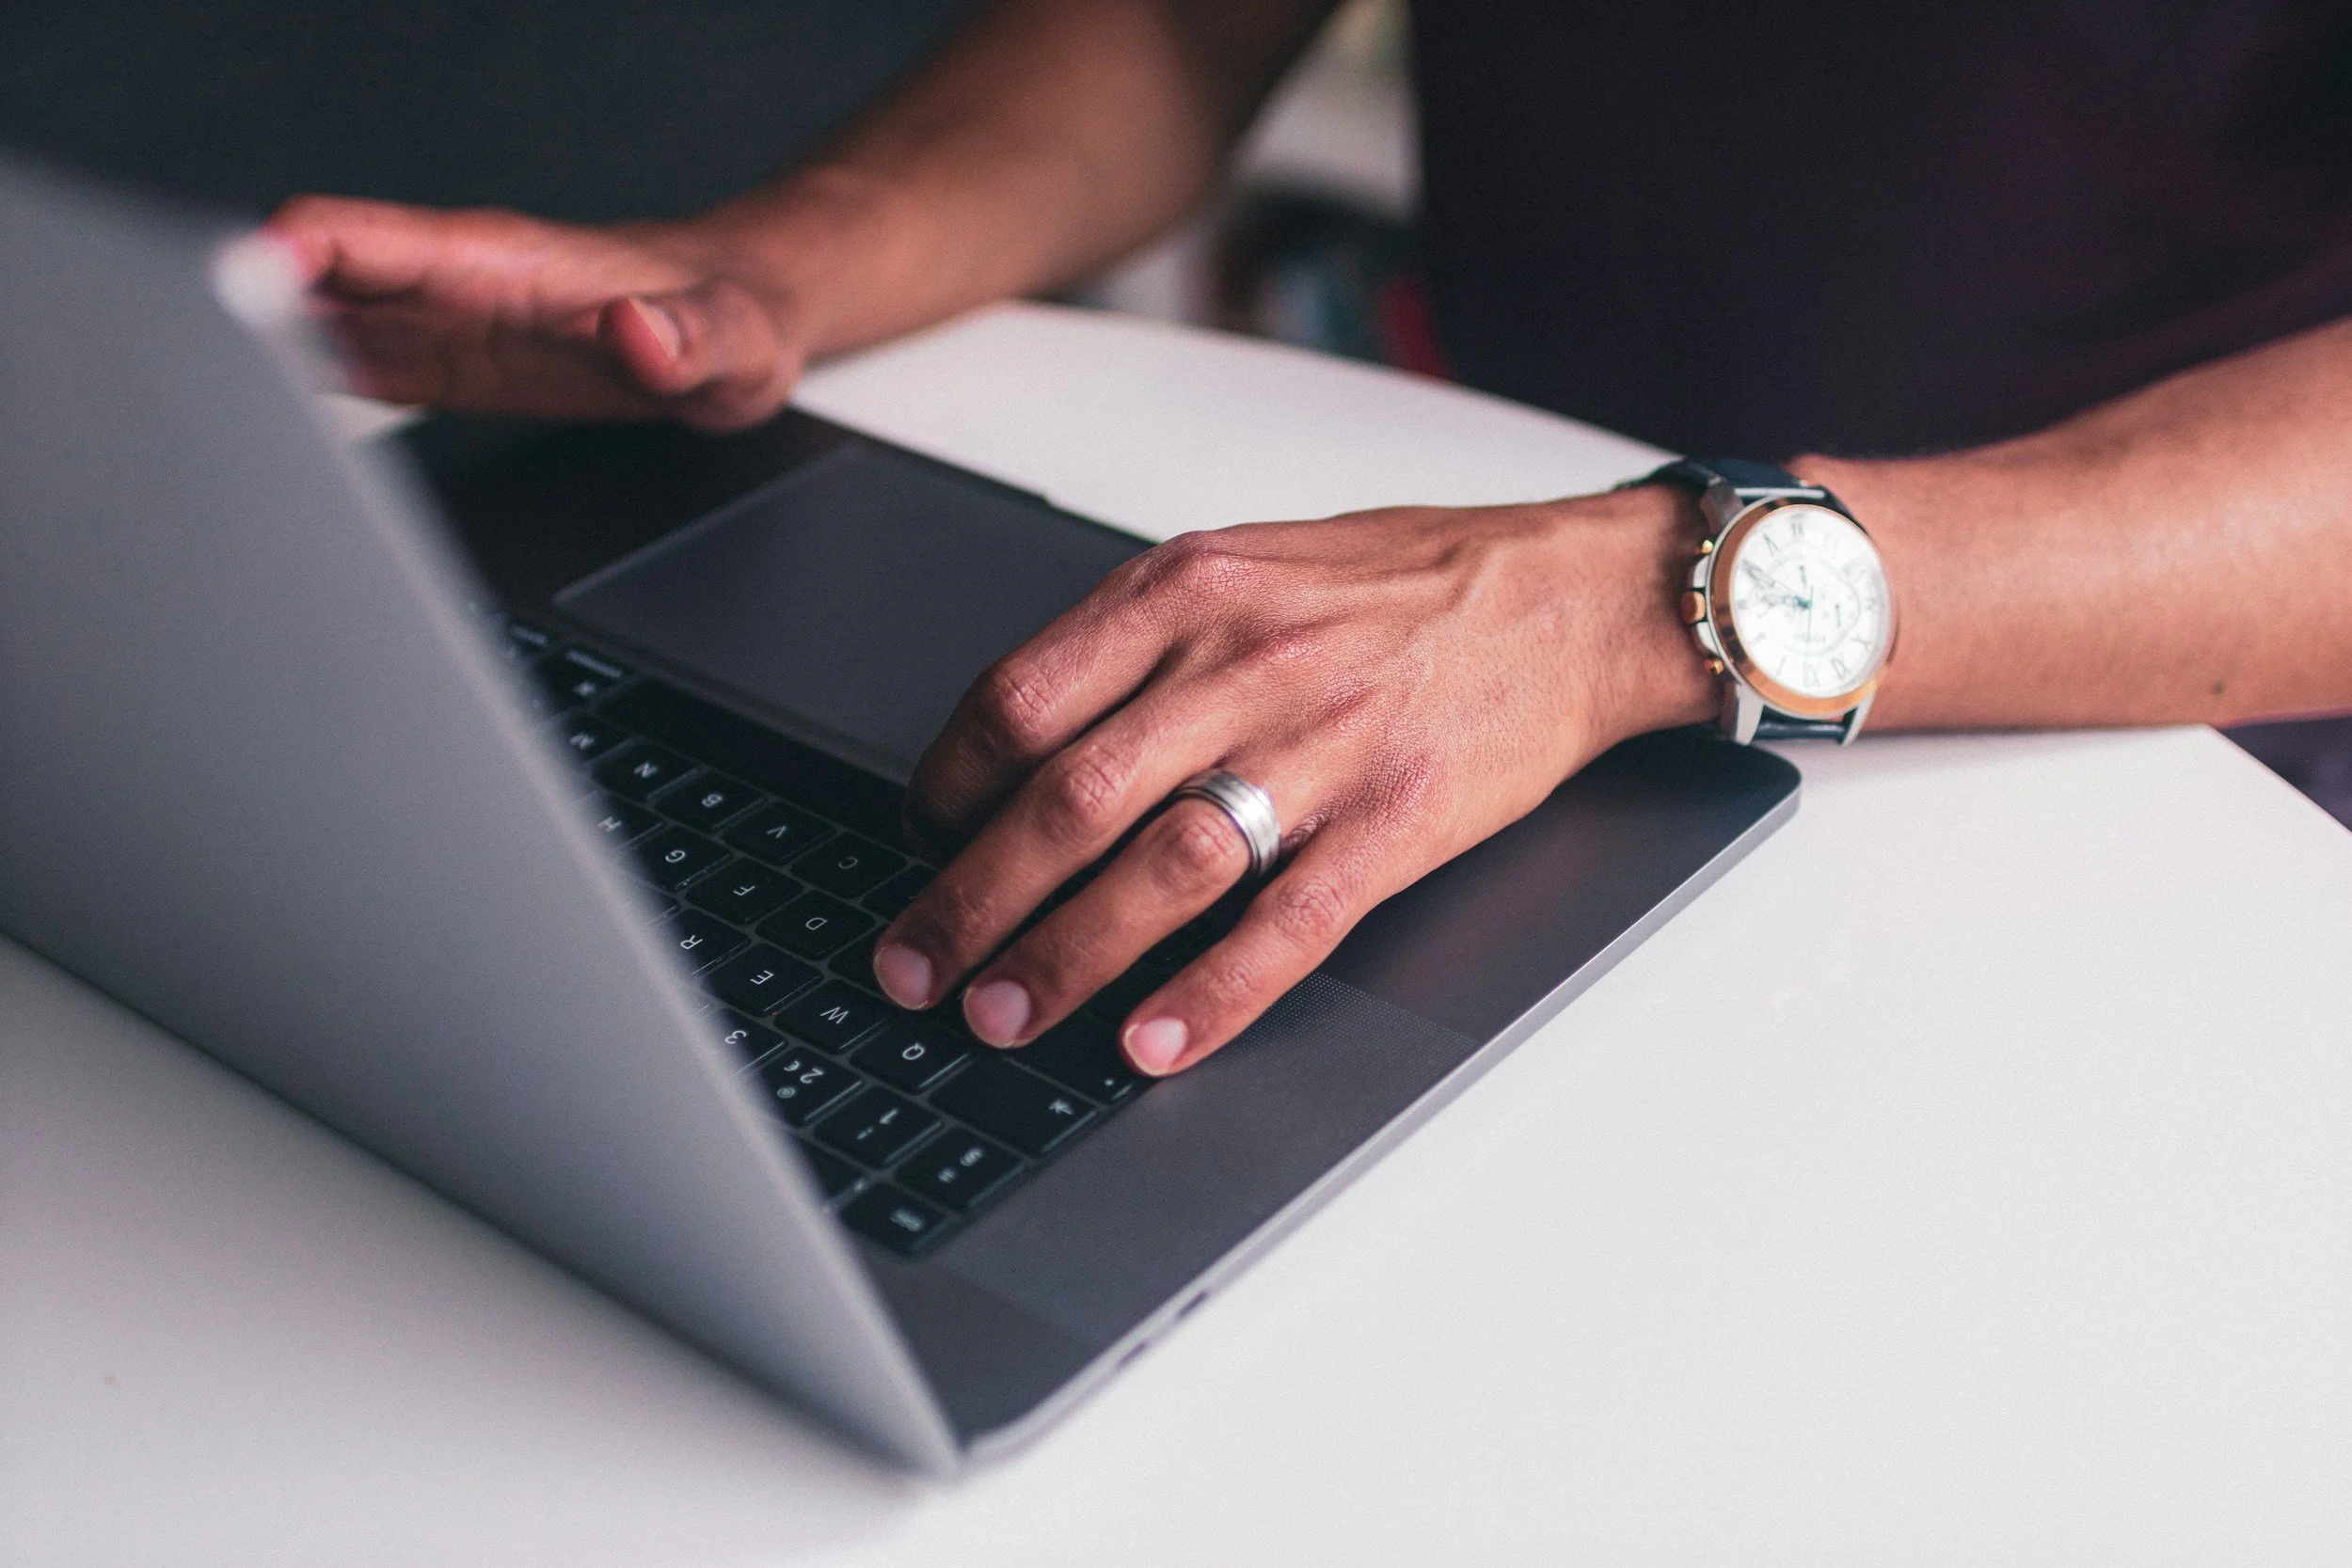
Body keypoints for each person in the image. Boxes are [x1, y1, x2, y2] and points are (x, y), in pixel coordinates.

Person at [269, 0, 2352, 1077]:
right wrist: (778, 266)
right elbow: (1178, 26)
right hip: (1490, 671)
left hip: (2143, 776)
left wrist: (1639, 592)